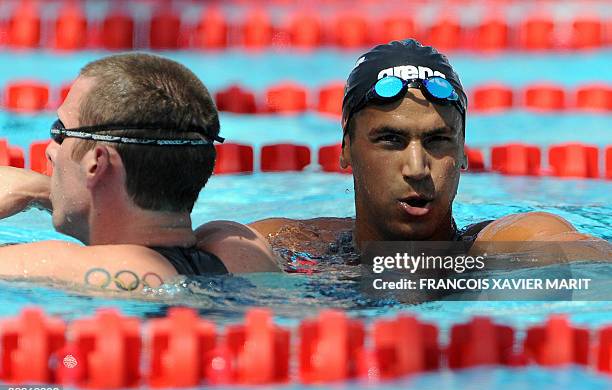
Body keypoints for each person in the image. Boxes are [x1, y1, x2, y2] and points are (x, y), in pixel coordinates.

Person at [250, 39, 610, 262]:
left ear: (464, 151)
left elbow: (586, 259)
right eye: (391, 140)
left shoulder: (504, 244)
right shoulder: (290, 245)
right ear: (346, 149)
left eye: (438, 141)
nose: (417, 168)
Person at [0, 53, 279, 292]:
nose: (50, 149)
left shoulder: (76, 266)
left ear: (96, 164)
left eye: (60, 131)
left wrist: (31, 189)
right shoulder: (242, 250)